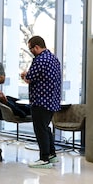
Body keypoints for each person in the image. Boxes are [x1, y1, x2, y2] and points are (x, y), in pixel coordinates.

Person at [21, 36, 61, 169]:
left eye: (31, 48)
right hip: (52, 100)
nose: (31, 51)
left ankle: (44, 158)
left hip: (40, 101)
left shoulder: (40, 60)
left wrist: (24, 75)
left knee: (40, 129)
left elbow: (29, 78)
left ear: (36, 47)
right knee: (45, 128)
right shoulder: (54, 58)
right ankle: (51, 154)